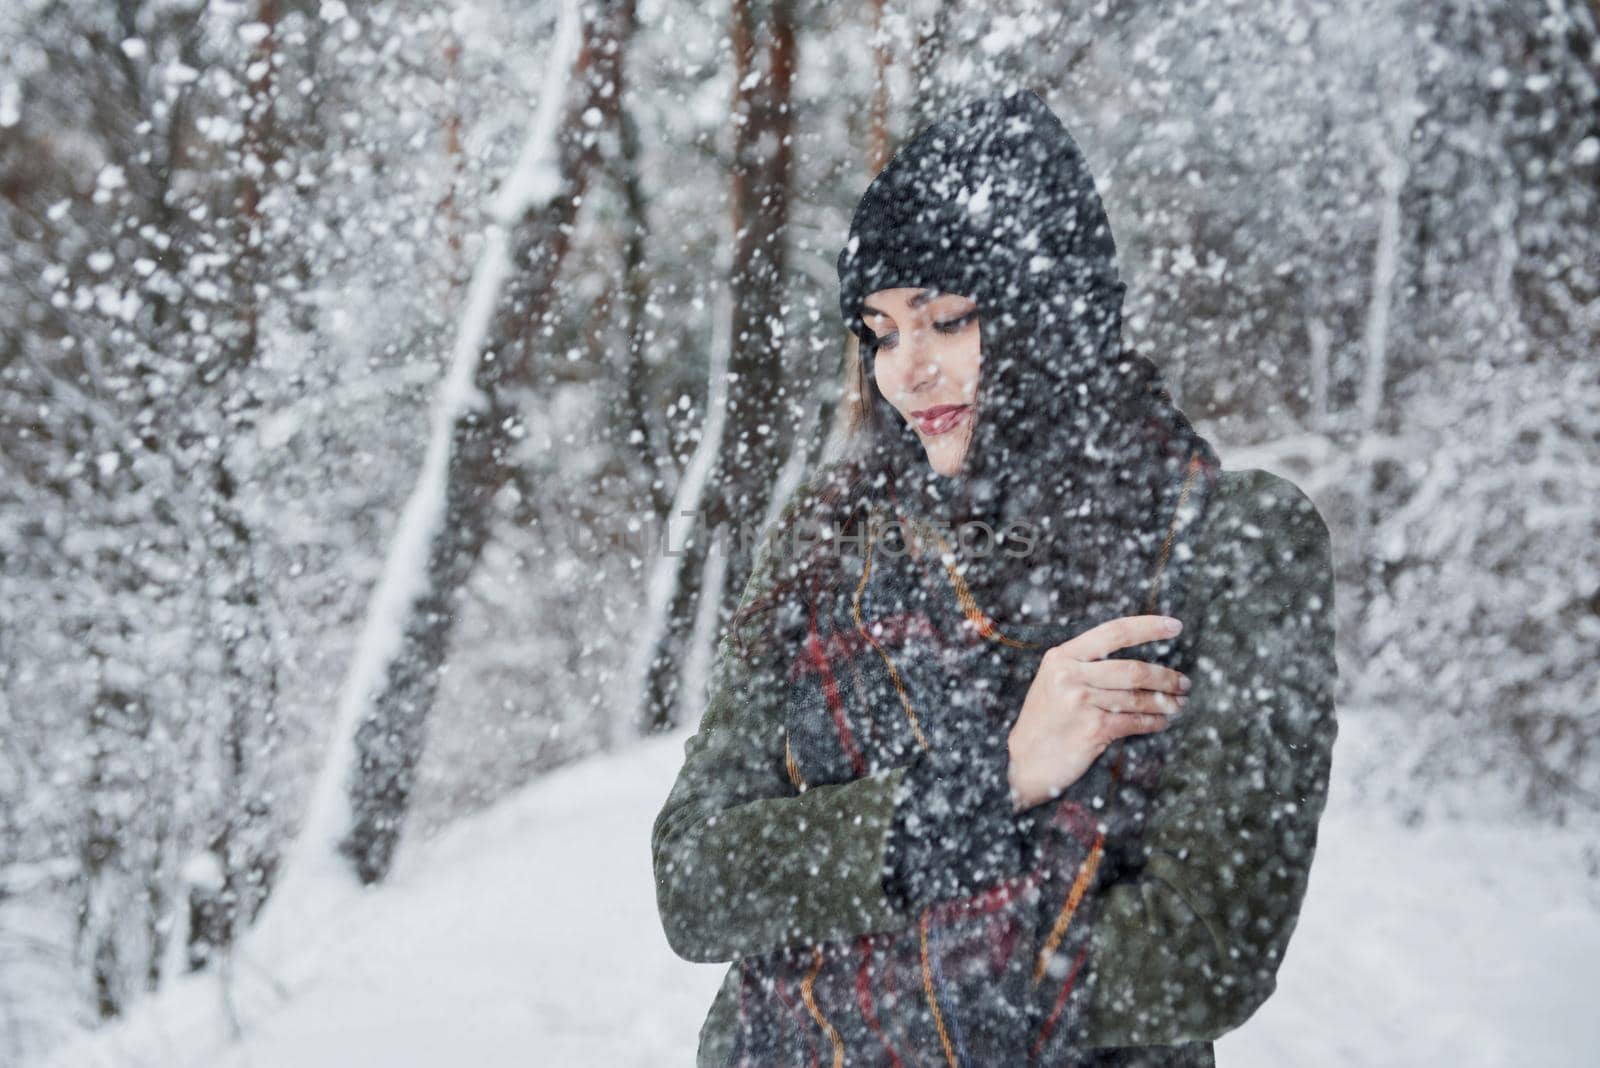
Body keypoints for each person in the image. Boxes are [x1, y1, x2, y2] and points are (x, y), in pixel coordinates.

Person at [652, 88, 1338, 1067]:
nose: (907, 371)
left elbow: (1198, 962)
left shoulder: (1223, 543)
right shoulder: (824, 548)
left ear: (1046, 312)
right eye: (881, 333)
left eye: (947, 322)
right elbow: (695, 886)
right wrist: (990, 785)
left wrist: (816, 973)